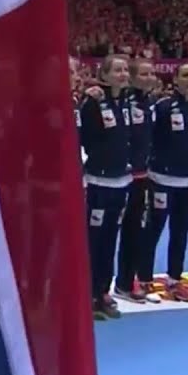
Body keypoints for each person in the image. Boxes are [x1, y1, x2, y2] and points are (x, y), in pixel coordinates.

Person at [77, 55, 132, 320]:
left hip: (121, 181)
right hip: (98, 181)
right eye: (117, 70)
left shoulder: (128, 102)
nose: (123, 74)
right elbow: (85, 140)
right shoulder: (93, 102)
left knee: (111, 238)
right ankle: (86, 293)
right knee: (93, 240)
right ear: (105, 74)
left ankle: (103, 290)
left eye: (125, 70)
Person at [146, 63, 188, 302]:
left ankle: (174, 278)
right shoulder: (162, 107)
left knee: (180, 232)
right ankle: (144, 277)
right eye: (186, 75)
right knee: (153, 230)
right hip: (161, 179)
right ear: (175, 79)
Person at [115, 59, 160, 303]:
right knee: (112, 234)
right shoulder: (123, 101)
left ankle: (127, 281)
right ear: (131, 77)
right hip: (122, 177)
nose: (149, 77)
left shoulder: (149, 102)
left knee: (136, 231)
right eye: (144, 73)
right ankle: (101, 287)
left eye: (151, 73)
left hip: (144, 176)